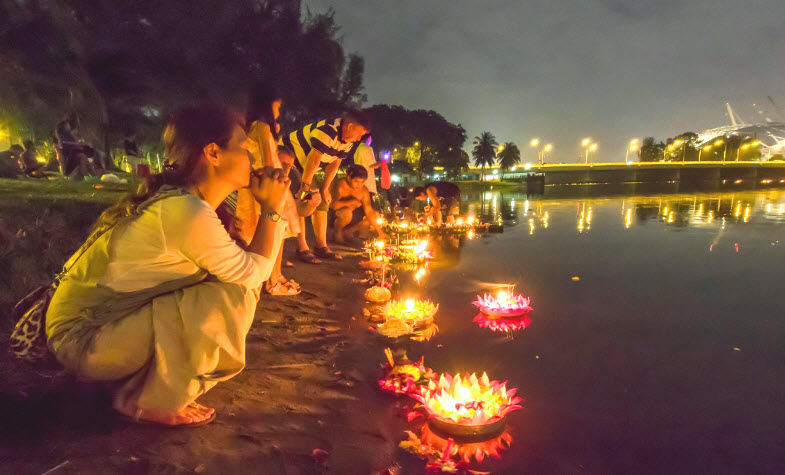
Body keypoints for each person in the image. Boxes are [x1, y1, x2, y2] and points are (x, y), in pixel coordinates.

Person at [45, 105, 290, 427]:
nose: (253, 160)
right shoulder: (186, 212)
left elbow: (245, 266)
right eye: (245, 149)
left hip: (96, 332)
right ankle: (145, 402)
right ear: (213, 153)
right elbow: (254, 275)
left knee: (221, 288)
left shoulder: (187, 204)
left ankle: (132, 383)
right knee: (232, 297)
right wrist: (272, 210)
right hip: (83, 340)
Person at [226, 84, 302, 295]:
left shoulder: (254, 127)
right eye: (277, 107)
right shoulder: (262, 127)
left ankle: (274, 276)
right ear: (267, 107)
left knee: (275, 232)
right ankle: (272, 281)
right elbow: (269, 160)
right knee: (273, 231)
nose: (278, 112)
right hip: (268, 185)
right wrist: (280, 183)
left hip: (261, 184)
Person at [280, 109, 371, 260]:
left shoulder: (347, 143)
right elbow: (314, 159)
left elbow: (334, 164)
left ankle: (321, 246)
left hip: (307, 168)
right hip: (290, 161)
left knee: (320, 200)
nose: (359, 138)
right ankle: (302, 248)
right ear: (349, 126)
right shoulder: (327, 131)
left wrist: (325, 189)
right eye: (359, 133)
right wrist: (304, 185)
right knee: (302, 199)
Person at [329, 164, 386, 245]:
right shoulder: (341, 185)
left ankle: (348, 232)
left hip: (354, 219)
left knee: (375, 215)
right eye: (356, 181)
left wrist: (380, 232)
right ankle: (337, 234)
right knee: (346, 212)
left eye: (362, 182)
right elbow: (333, 205)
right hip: (338, 217)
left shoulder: (363, 191)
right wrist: (351, 202)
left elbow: (369, 211)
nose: (359, 185)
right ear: (349, 178)